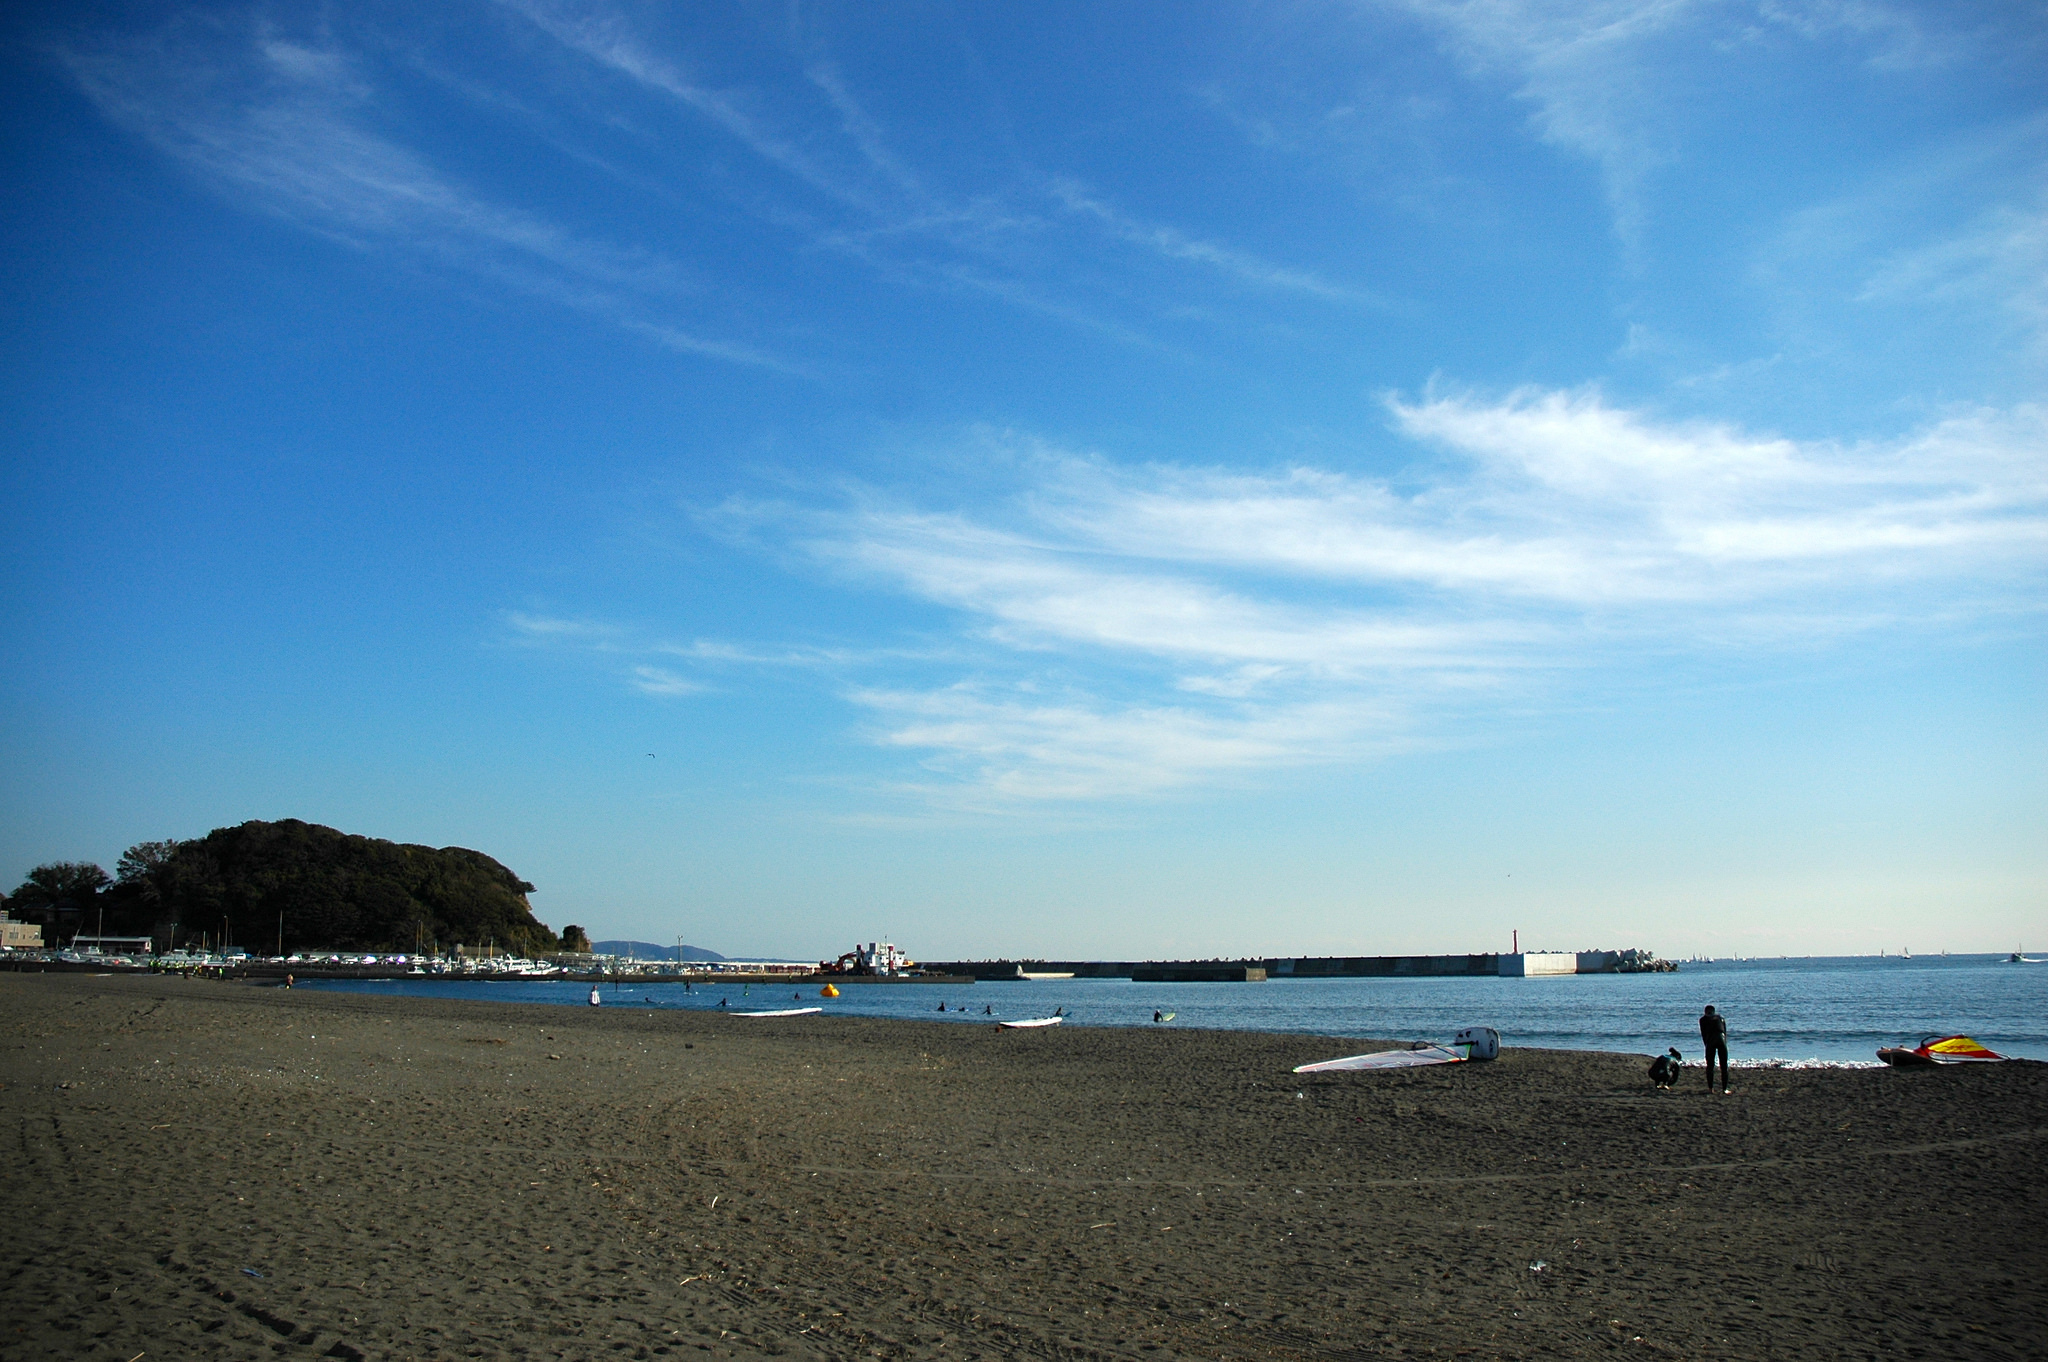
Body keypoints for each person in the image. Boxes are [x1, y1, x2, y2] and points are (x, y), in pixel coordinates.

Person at [1700, 1004, 1730, 1093]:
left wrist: (1706, 1045)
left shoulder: (1703, 1020)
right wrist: (1725, 1043)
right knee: (1724, 1066)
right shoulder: (1721, 1018)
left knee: (1710, 1066)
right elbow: (1725, 1032)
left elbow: (1703, 1034)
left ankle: (1711, 1088)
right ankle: (1725, 1089)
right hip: (1721, 1040)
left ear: (1705, 1012)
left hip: (1710, 1041)